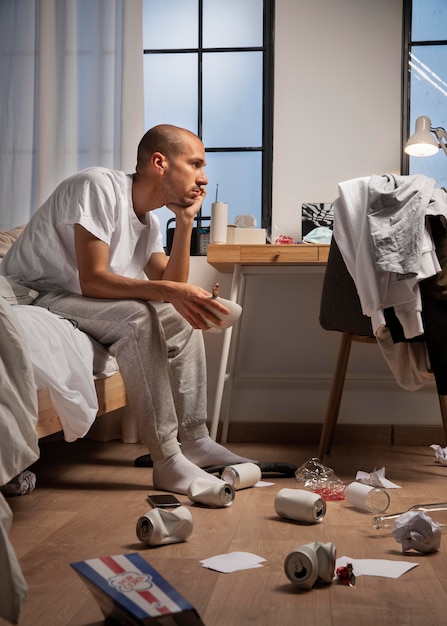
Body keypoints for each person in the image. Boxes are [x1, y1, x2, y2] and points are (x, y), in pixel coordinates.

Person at [1, 124, 251, 494]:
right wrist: (170, 290)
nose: (203, 177)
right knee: (138, 317)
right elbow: (93, 280)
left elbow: (170, 286)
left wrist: (184, 223)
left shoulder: (147, 218)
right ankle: (166, 458)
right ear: (160, 162)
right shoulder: (97, 186)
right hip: (38, 294)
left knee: (180, 320)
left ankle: (196, 440)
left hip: (76, 298)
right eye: (196, 164)